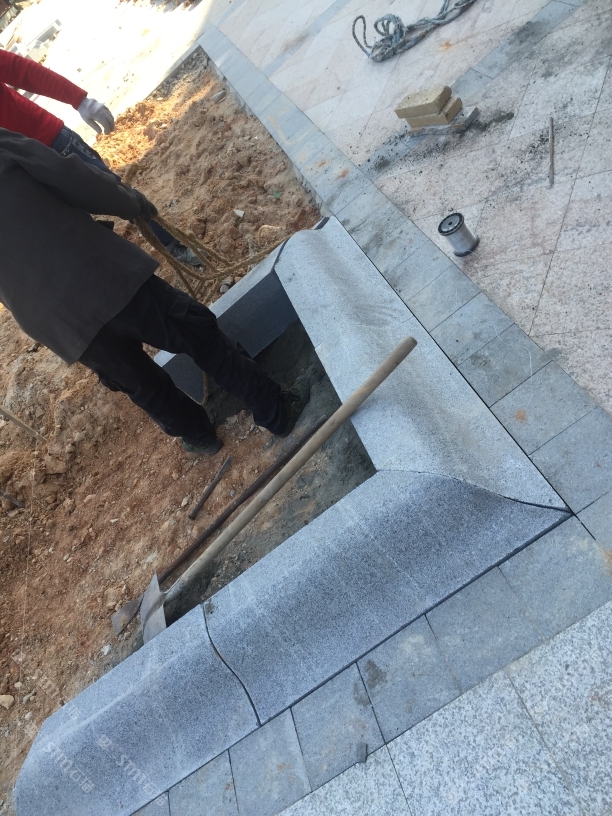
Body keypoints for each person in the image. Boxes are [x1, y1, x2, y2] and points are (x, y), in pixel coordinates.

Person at [0, 129, 309, 454]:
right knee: (196, 334)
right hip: (100, 275)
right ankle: (275, 409)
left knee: (140, 383)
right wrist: (132, 203)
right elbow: (73, 178)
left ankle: (199, 437)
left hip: (59, 324)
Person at [0, 48, 199, 265]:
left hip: (51, 142)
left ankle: (174, 245)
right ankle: (128, 275)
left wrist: (78, 99)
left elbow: (20, 70)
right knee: (72, 226)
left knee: (117, 194)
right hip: (18, 173)